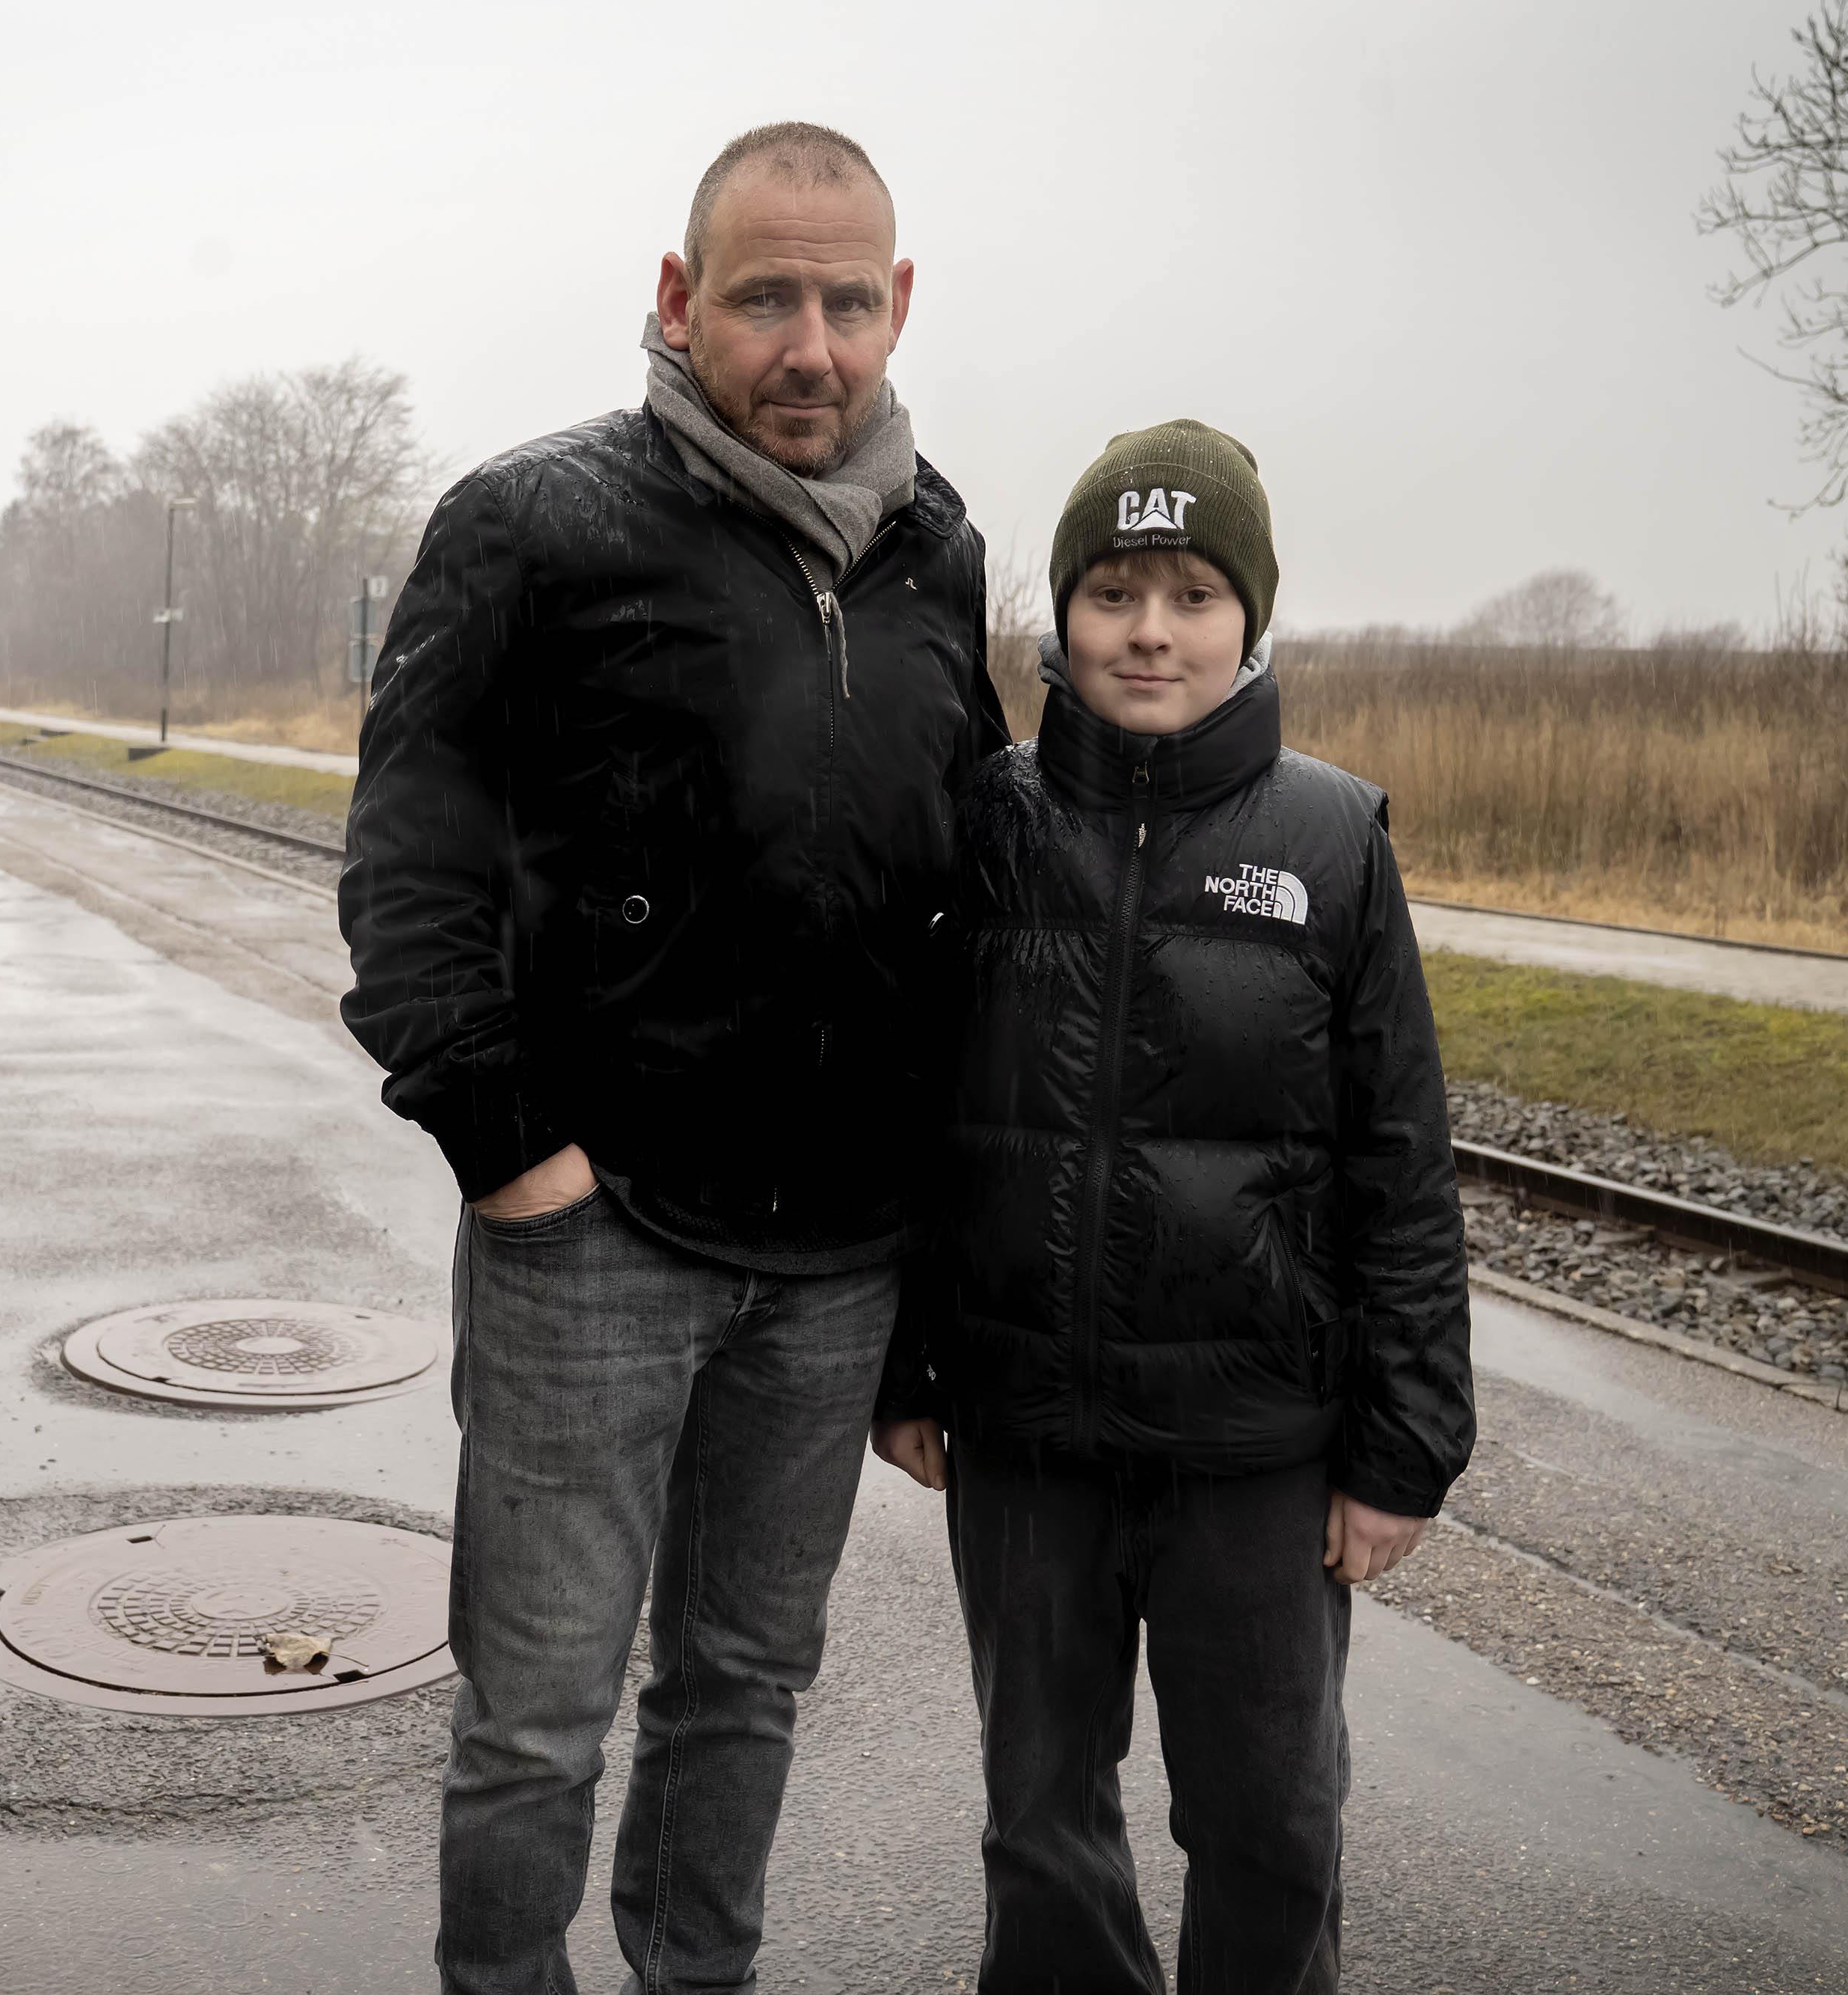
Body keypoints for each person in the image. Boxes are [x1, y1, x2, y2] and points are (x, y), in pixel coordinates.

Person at [340, 123, 1006, 1995]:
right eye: (765, 297)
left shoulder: (938, 554)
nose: (810, 346)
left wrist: (935, 1280)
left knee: (742, 1690)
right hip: (596, 1238)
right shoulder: (533, 526)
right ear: (674, 299)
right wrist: (510, 1159)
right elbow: (407, 872)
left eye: (846, 302)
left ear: (897, 309)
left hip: (833, 1268)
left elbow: (962, 905)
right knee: (540, 1714)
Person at [870, 420, 1476, 1994]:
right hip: (1025, 1441)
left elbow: (1396, 1162)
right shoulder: (986, 823)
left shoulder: (1330, 840)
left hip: (1256, 1453)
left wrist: (1400, 1446)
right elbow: (915, 1116)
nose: (1149, 630)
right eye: (1116, 590)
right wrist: (905, 1366)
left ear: (1246, 617)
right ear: (1062, 612)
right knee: (1038, 1823)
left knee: (1269, 1820)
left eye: (1192, 592)